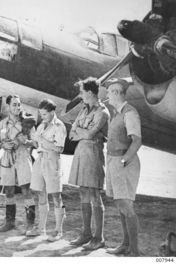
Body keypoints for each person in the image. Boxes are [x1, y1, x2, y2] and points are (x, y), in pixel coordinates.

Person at [68, 78, 109, 250]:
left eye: (82, 92)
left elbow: (90, 134)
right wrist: (82, 133)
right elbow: (71, 134)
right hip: (81, 153)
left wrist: (81, 132)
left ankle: (99, 238)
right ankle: (86, 233)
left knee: (93, 194)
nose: (81, 95)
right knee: (83, 192)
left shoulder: (103, 112)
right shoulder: (84, 110)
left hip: (93, 154)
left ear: (91, 93)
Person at [104, 78, 142, 256]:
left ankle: (134, 251)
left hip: (123, 161)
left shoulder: (129, 112)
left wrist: (124, 160)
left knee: (125, 205)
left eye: (110, 92)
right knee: (120, 203)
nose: (107, 95)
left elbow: (137, 140)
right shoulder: (117, 113)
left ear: (118, 93)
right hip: (114, 160)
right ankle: (125, 244)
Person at [0, 95, 36, 234]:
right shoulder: (2, 124)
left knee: (26, 190)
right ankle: (9, 222)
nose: (17, 107)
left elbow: (36, 143)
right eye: (14, 105)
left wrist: (25, 141)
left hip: (23, 157)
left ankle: (30, 224)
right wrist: (3, 144)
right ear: (8, 107)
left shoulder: (27, 122)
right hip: (7, 159)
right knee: (9, 191)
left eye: (19, 105)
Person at [27, 99, 67, 242]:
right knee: (40, 193)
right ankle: (41, 228)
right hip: (41, 159)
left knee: (56, 195)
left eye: (44, 114)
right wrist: (32, 137)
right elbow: (37, 143)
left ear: (52, 112)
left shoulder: (59, 126)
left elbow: (59, 148)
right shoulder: (42, 125)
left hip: (52, 160)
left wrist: (42, 140)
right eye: (41, 114)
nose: (42, 117)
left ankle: (58, 230)